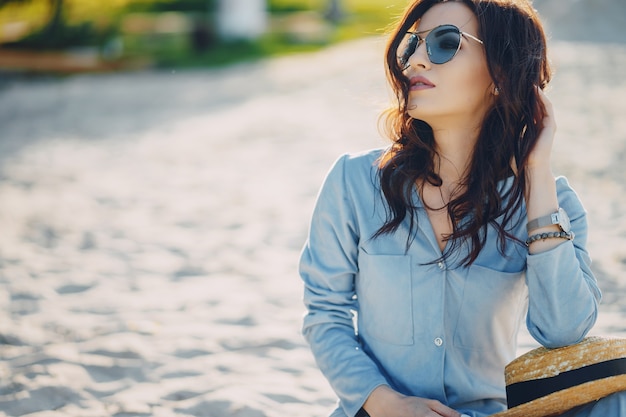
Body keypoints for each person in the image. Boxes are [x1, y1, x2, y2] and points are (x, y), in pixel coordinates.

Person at [298, 0, 626, 416]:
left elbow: (563, 330)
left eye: (444, 43)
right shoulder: (353, 182)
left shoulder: (552, 201)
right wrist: (388, 404)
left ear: (500, 74)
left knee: (617, 402)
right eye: (412, 45)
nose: (416, 60)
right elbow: (324, 316)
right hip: (380, 414)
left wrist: (537, 176)